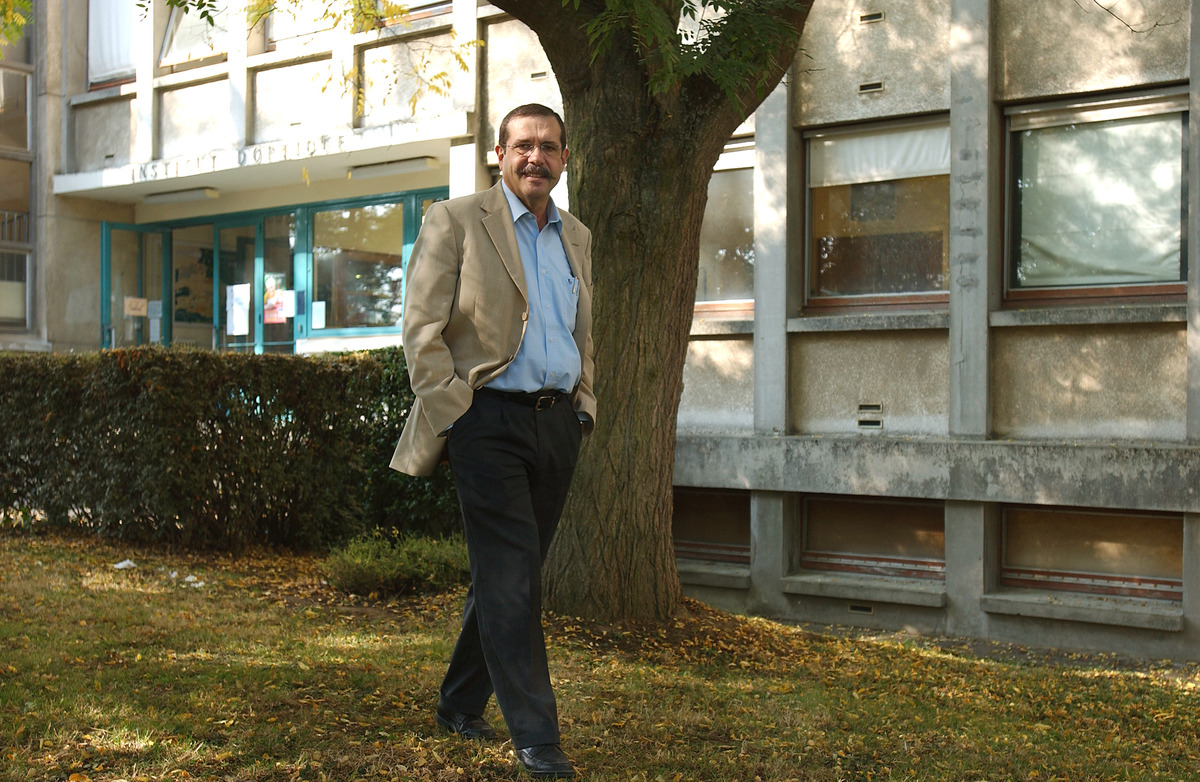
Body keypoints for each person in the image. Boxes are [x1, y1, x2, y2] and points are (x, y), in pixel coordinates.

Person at [389, 103, 594, 780]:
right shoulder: (456, 221)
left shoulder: (577, 237)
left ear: (564, 159)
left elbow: (578, 332)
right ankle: (539, 738)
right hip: (487, 422)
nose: (537, 157)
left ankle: (456, 704)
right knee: (511, 579)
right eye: (524, 145)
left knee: (512, 574)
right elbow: (421, 330)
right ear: (499, 155)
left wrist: (582, 407)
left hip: (557, 423)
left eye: (551, 147)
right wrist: (458, 414)